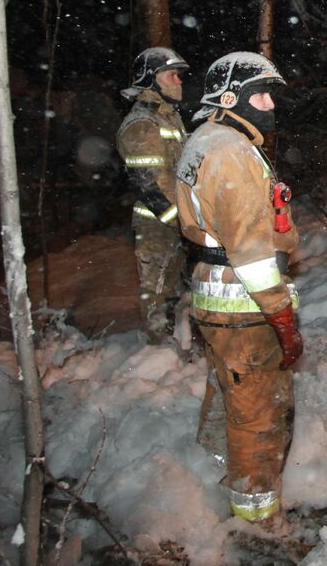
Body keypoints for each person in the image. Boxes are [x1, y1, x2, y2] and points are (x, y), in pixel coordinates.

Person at [174, 52, 302, 524]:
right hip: (244, 305)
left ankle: (210, 471)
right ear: (230, 98)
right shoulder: (229, 151)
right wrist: (282, 316)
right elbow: (251, 251)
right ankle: (258, 522)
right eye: (260, 95)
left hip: (217, 297)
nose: (270, 105)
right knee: (258, 416)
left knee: (228, 391)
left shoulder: (207, 140)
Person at [116, 47, 191, 345]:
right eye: (172, 75)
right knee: (158, 295)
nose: (179, 81)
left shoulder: (168, 118)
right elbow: (149, 186)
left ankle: (178, 349)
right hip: (157, 227)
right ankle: (159, 352)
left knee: (176, 292)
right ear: (151, 80)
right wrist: (181, 223)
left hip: (175, 224)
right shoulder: (143, 124)